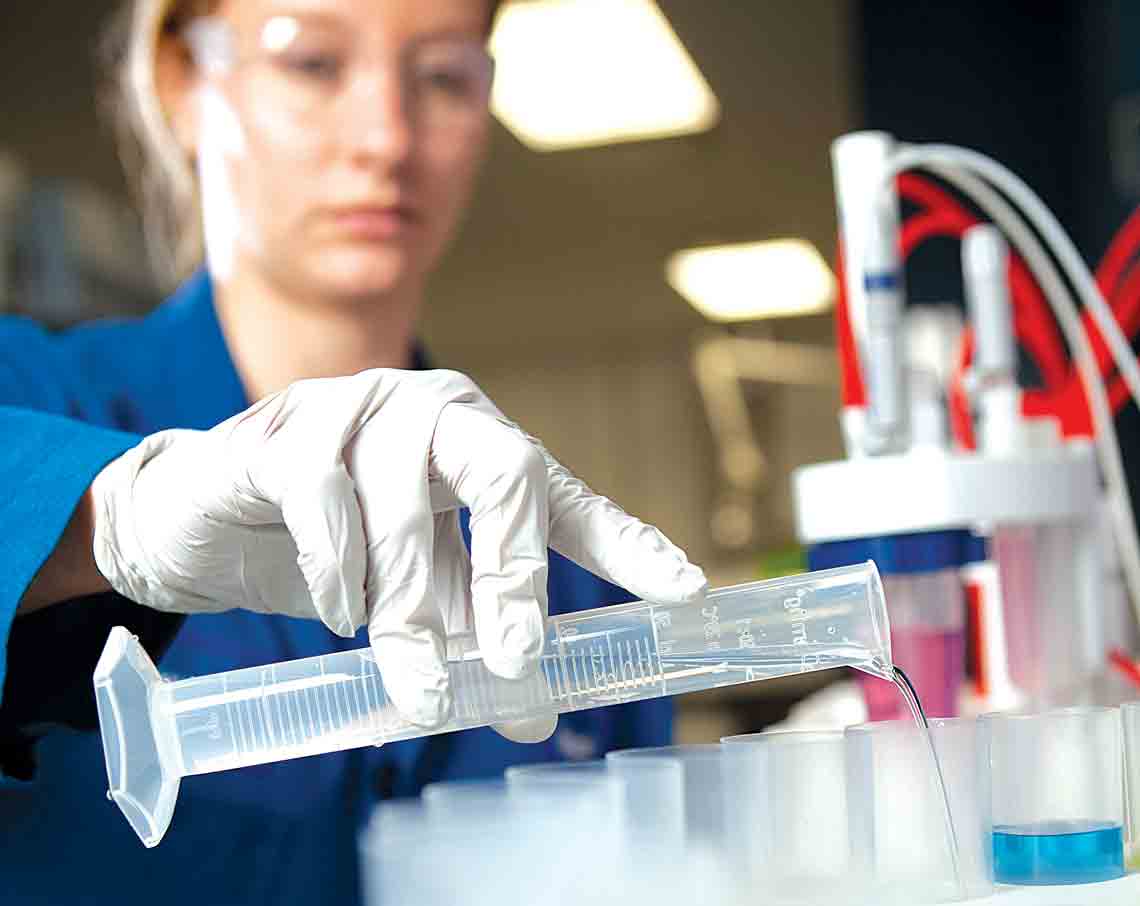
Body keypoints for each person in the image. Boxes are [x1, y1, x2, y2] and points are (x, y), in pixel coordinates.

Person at [0, 1, 707, 903]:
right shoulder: (33, 399)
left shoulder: (568, 572)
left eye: (445, 76)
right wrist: (108, 516)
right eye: (314, 65)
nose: (387, 139)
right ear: (184, 84)